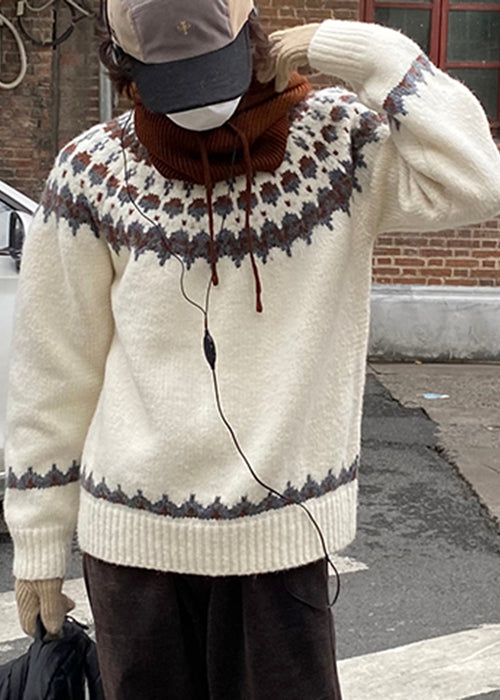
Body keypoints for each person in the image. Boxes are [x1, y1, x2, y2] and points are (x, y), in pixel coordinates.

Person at [4, 1, 500, 698]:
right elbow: (55, 369)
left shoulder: (335, 146)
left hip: (281, 546)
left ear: (254, 40)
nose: (198, 104)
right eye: (175, 80)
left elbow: (477, 181)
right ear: (129, 68)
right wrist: (37, 545)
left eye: (211, 71)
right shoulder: (92, 173)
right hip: (134, 551)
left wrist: (353, 49)